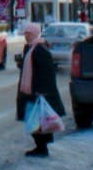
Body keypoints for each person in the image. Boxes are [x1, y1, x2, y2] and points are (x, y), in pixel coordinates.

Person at [16, 22, 66, 157]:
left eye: (28, 34)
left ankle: (42, 148)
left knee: (38, 121)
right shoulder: (31, 48)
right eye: (25, 34)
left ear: (34, 34)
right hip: (30, 91)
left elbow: (47, 72)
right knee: (33, 121)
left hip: (38, 92)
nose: (26, 36)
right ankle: (40, 147)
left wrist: (42, 91)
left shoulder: (40, 49)